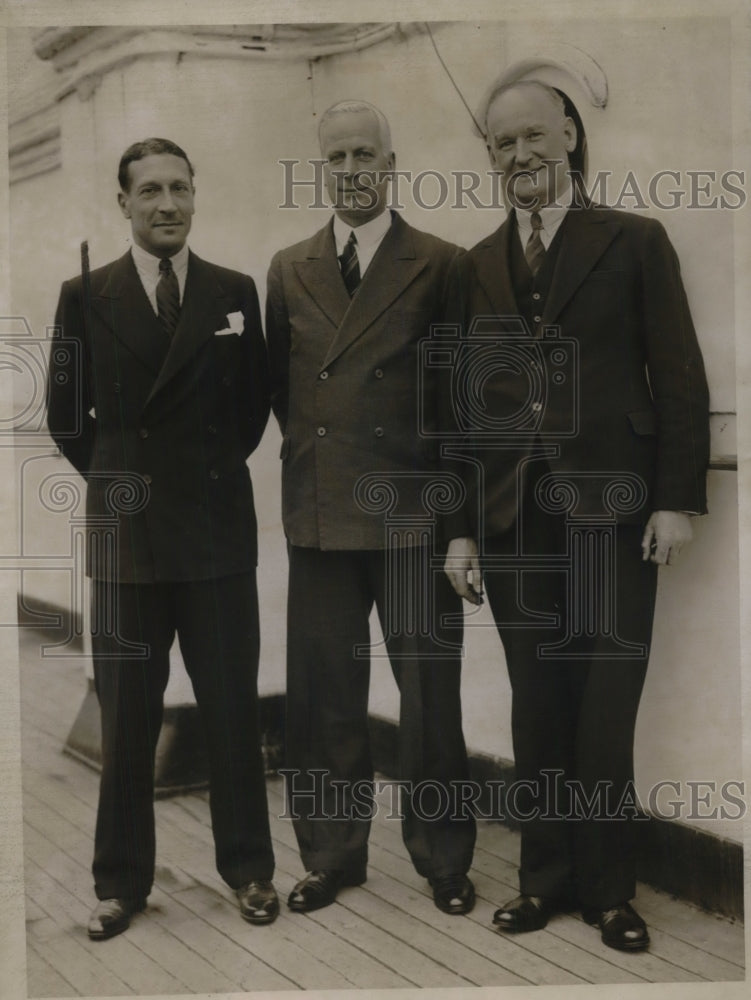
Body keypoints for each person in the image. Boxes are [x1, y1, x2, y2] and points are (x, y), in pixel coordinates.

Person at [442, 81, 709, 951]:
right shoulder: (476, 263)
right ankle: (543, 882)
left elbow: (676, 379)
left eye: (532, 136)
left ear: (569, 135)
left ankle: (608, 893)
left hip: (614, 511)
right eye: (500, 143)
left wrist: (672, 498)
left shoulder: (633, 240)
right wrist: (461, 525)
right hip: (514, 517)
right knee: (536, 705)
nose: (518, 155)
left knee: (604, 703)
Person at [46, 138, 278, 940]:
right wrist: (123, 482)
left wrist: (198, 477)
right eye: (149, 191)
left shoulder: (233, 291)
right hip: (129, 547)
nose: (167, 204)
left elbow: (251, 414)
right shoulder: (86, 295)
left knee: (230, 716)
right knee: (128, 722)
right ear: (124, 204)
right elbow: (67, 418)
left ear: (194, 196)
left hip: (216, 541)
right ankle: (120, 883)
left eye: (179, 187)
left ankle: (249, 871)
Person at [266, 100, 476, 915]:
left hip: (416, 513)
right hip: (320, 512)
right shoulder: (289, 265)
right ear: (321, 167)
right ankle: (330, 855)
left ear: (391, 164)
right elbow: (282, 394)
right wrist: (323, 457)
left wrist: (458, 525)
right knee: (325, 699)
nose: (352, 169)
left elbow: (462, 408)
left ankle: (444, 858)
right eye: (337, 157)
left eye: (365, 155)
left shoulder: (443, 262)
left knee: (430, 694)